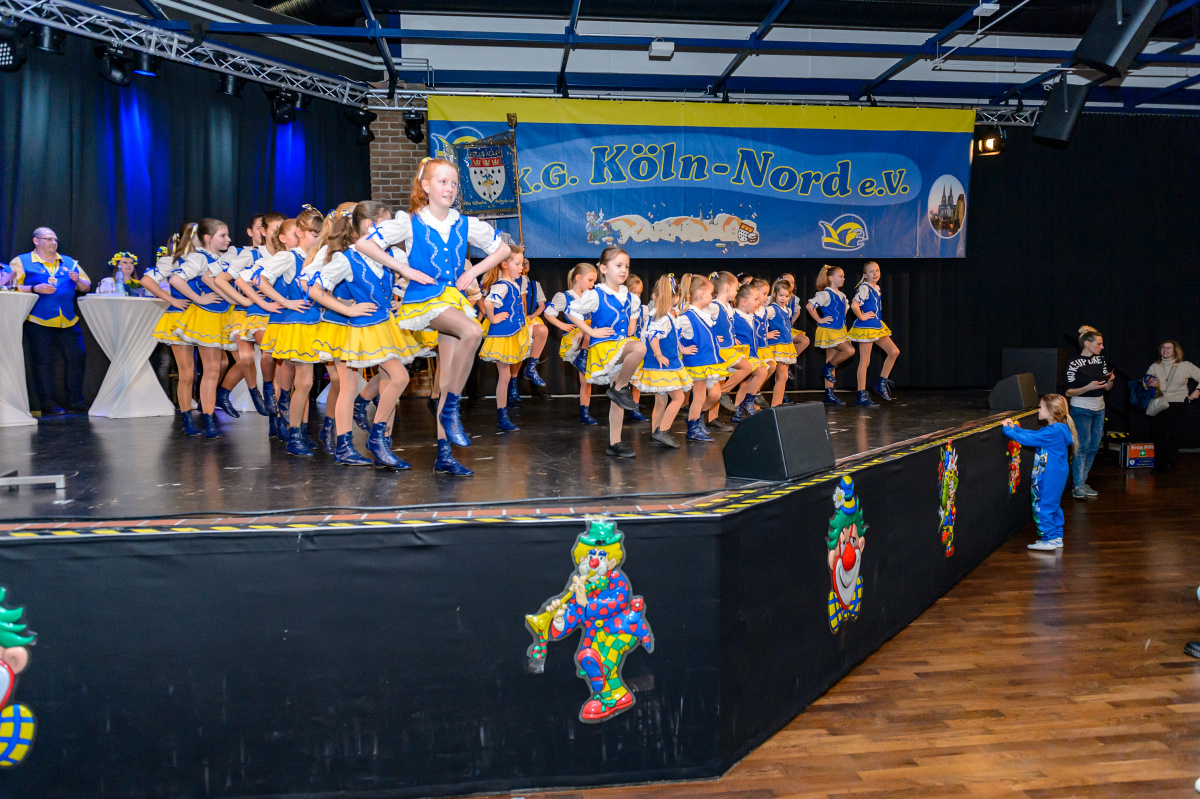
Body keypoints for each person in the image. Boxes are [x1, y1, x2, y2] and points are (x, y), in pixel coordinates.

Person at [353, 157, 512, 477]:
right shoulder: (409, 222)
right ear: (425, 186)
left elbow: (503, 250)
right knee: (473, 331)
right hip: (423, 301)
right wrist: (405, 269)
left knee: (446, 377)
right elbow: (363, 244)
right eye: (442, 181)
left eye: (454, 183)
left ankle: (444, 453)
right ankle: (451, 409)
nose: (450, 188)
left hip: (451, 299)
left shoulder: (465, 223)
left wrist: (475, 272)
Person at [308, 202, 420, 469]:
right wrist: (347, 308)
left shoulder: (390, 255)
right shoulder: (346, 258)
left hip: (384, 325)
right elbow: (314, 288)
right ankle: (356, 443)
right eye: (388, 223)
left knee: (390, 379)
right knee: (382, 379)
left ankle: (379, 442)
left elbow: (406, 280)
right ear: (371, 226)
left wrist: (399, 301)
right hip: (357, 328)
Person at [566, 246, 647, 458]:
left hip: (619, 347)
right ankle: (620, 388)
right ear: (603, 268)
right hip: (604, 347)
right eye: (618, 265)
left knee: (618, 401)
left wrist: (632, 323)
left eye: (626, 266)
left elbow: (634, 314)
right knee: (639, 347)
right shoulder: (596, 294)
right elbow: (571, 311)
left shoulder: (630, 297)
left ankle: (615, 443)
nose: (624, 270)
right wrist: (591, 331)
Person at [8, 227, 91, 414]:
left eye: (55, 240)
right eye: (48, 239)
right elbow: (10, 286)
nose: (53, 243)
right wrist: (34, 288)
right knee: (43, 362)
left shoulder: (69, 262)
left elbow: (86, 287)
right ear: (36, 241)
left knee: (77, 357)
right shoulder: (22, 261)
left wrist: (78, 281)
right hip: (38, 319)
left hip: (68, 319)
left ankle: (75, 401)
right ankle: (48, 403)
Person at [170, 218, 236, 438]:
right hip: (200, 317)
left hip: (219, 316)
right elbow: (176, 280)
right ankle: (192, 418)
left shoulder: (221, 258)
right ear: (207, 238)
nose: (228, 239)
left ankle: (208, 414)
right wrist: (199, 298)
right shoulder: (198, 257)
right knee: (192, 372)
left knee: (215, 368)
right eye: (222, 235)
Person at [1002, 394, 1078, 551]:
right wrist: (1016, 428)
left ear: (1051, 412)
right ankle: (1056, 537)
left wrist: (1007, 430)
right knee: (1053, 505)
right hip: (1056, 474)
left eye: (1041, 407)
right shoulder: (1057, 429)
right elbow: (1034, 435)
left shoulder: (1053, 432)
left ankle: (1048, 539)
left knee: (1043, 505)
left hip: (1049, 476)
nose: (1038, 410)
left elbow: (1029, 439)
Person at [632, 274, 693, 449]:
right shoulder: (664, 318)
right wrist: (659, 355)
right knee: (678, 398)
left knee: (661, 400)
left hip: (657, 365)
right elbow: (652, 336)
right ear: (675, 298)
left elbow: (669, 337)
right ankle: (663, 431)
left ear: (654, 296)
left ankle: (655, 433)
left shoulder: (656, 315)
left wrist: (681, 349)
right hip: (663, 366)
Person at [479, 245, 530, 433]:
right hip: (502, 335)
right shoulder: (501, 285)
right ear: (504, 264)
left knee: (506, 376)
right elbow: (487, 302)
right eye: (517, 264)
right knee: (505, 376)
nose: (521, 268)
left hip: (512, 331)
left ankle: (503, 415)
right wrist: (492, 318)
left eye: (522, 264)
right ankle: (502, 416)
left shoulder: (513, 283)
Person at [545, 263, 598, 425]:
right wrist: (562, 325)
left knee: (586, 379)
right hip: (576, 338)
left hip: (590, 340)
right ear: (578, 278)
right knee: (589, 326)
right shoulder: (565, 297)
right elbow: (548, 313)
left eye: (594, 281)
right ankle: (582, 356)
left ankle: (584, 412)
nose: (592, 284)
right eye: (590, 280)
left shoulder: (592, 296)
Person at [1064, 325, 1113, 498]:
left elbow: (1107, 388)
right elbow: (1068, 392)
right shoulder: (1074, 362)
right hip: (1081, 409)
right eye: (1099, 344)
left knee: (1093, 447)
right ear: (1087, 344)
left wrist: (1109, 380)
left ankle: (1082, 482)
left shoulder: (1100, 360)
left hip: (1099, 408)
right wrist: (1088, 387)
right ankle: (1077, 486)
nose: (1102, 347)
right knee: (1082, 447)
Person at [675, 274, 725, 442]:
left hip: (709, 362)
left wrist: (714, 339)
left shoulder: (704, 314)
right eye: (711, 294)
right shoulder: (687, 316)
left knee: (715, 395)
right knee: (699, 397)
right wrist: (682, 348)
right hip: (697, 363)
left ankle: (696, 418)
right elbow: (673, 332)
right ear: (702, 294)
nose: (712, 297)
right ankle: (693, 428)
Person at [848, 261, 900, 406]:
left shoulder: (875, 288)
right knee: (865, 361)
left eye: (877, 270)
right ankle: (861, 395)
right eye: (871, 271)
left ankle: (881, 383)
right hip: (866, 327)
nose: (875, 273)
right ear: (865, 275)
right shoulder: (865, 287)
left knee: (894, 352)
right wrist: (862, 316)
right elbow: (854, 305)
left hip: (876, 326)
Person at [1145, 340, 1200, 473]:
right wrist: (1150, 383)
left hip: (1178, 402)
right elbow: (1145, 382)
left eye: (1169, 347)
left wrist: (1197, 391)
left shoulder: (1185, 365)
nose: (1165, 350)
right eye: (1163, 347)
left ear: (1175, 350)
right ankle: (1160, 465)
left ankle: (1171, 459)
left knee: (1169, 432)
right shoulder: (1155, 366)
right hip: (1159, 402)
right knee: (1158, 433)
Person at [806, 264, 854, 406]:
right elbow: (809, 306)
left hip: (839, 330)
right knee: (849, 351)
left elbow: (844, 311)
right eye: (840, 276)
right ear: (831, 278)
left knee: (831, 360)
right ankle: (826, 368)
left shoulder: (842, 296)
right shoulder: (825, 294)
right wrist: (819, 319)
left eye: (844, 276)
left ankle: (829, 394)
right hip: (829, 330)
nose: (843, 279)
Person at [729, 283, 772, 423]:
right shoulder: (733, 316)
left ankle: (738, 412)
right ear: (743, 302)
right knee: (761, 372)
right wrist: (732, 338)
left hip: (752, 355)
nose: (758, 302)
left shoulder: (751, 317)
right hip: (741, 357)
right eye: (755, 299)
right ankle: (748, 401)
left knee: (747, 383)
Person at [517, 255, 549, 398]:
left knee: (536, 344)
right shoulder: (510, 282)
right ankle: (512, 388)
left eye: (527, 263)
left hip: (529, 320)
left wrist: (531, 316)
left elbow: (542, 305)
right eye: (521, 263)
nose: (524, 266)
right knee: (515, 355)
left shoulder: (535, 284)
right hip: (515, 322)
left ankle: (535, 386)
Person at [765, 278, 799, 407]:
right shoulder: (772, 309)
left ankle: (777, 404)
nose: (783, 298)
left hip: (786, 345)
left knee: (781, 377)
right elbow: (760, 320)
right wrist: (766, 334)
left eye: (786, 296)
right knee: (783, 376)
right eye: (780, 295)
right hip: (777, 345)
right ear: (775, 294)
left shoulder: (788, 311)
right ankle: (774, 405)